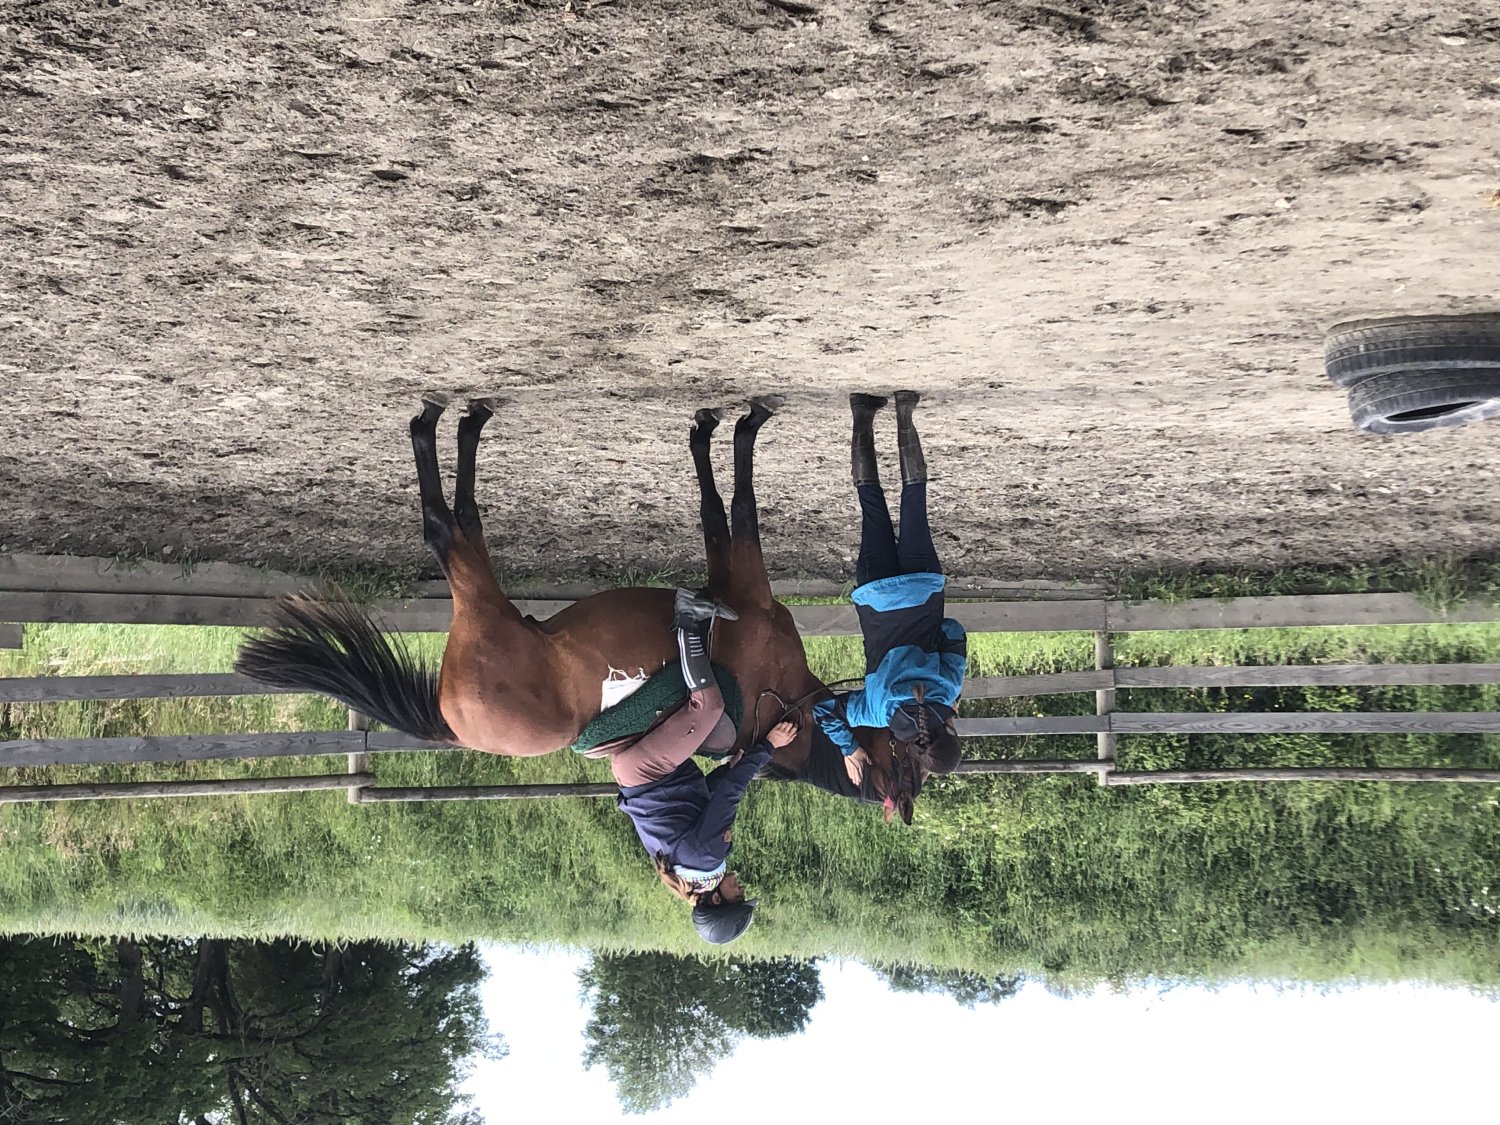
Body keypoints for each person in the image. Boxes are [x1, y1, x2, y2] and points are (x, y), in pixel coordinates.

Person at [612, 587, 797, 945]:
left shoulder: (708, 858)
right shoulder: (690, 874)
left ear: (716, 899)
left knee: (709, 707)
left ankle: (687, 619)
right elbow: (706, 796)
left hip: (650, 770)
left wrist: (769, 746)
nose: (741, 888)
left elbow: (729, 794)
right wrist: (731, 765)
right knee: (723, 739)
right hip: (642, 777)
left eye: (738, 896)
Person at [813, 391, 967, 786]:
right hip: (875, 595)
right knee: (871, 503)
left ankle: (904, 412)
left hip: (921, 586)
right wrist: (849, 748)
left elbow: (952, 631)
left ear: (951, 733)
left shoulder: (949, 689)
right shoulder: (878, 713)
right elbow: (824, 710)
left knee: (914, 499)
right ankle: (861, 414)